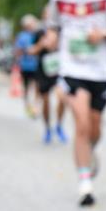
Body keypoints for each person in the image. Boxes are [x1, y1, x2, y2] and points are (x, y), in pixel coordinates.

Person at [44, 0, 106, 206]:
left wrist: (102, 35)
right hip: (72, 69)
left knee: (94, 127)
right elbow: (53, 27)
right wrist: (51, 39)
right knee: (80, 123)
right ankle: (84, 184)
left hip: (100, 70)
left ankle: (89, 152)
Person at [30, 9, 68, 144]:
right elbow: (31, 51)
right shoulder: (39, 32)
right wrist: (41, 44)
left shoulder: (62, 30)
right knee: (45, 100)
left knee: (62, 98)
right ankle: (47, 128)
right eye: (47, 14)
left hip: (59, 69)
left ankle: (59, 125)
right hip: (44, 70)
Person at [14, 15, 41, 117]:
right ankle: (27, 104)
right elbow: (18, 51)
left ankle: (35, 106)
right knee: (26, 87)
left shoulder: (37, 34)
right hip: (25, 65)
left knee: (37, 86)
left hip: (36, 65)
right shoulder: (22, 36)